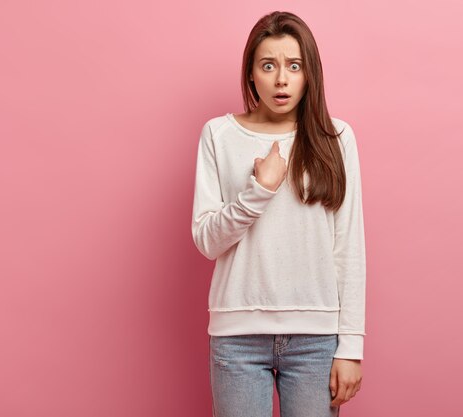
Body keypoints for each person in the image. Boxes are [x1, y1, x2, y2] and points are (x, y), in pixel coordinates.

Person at [191, 10, 366, 417]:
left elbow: (348, 247)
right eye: (268, 66)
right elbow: (206, 240)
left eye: (294, 66)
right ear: (251, 73)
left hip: (316, 339)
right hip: (237, 338)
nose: (281, 79)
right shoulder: (219, 134)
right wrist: (258, 190)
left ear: (310, 73)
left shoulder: (336, 139)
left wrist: (351, 346)